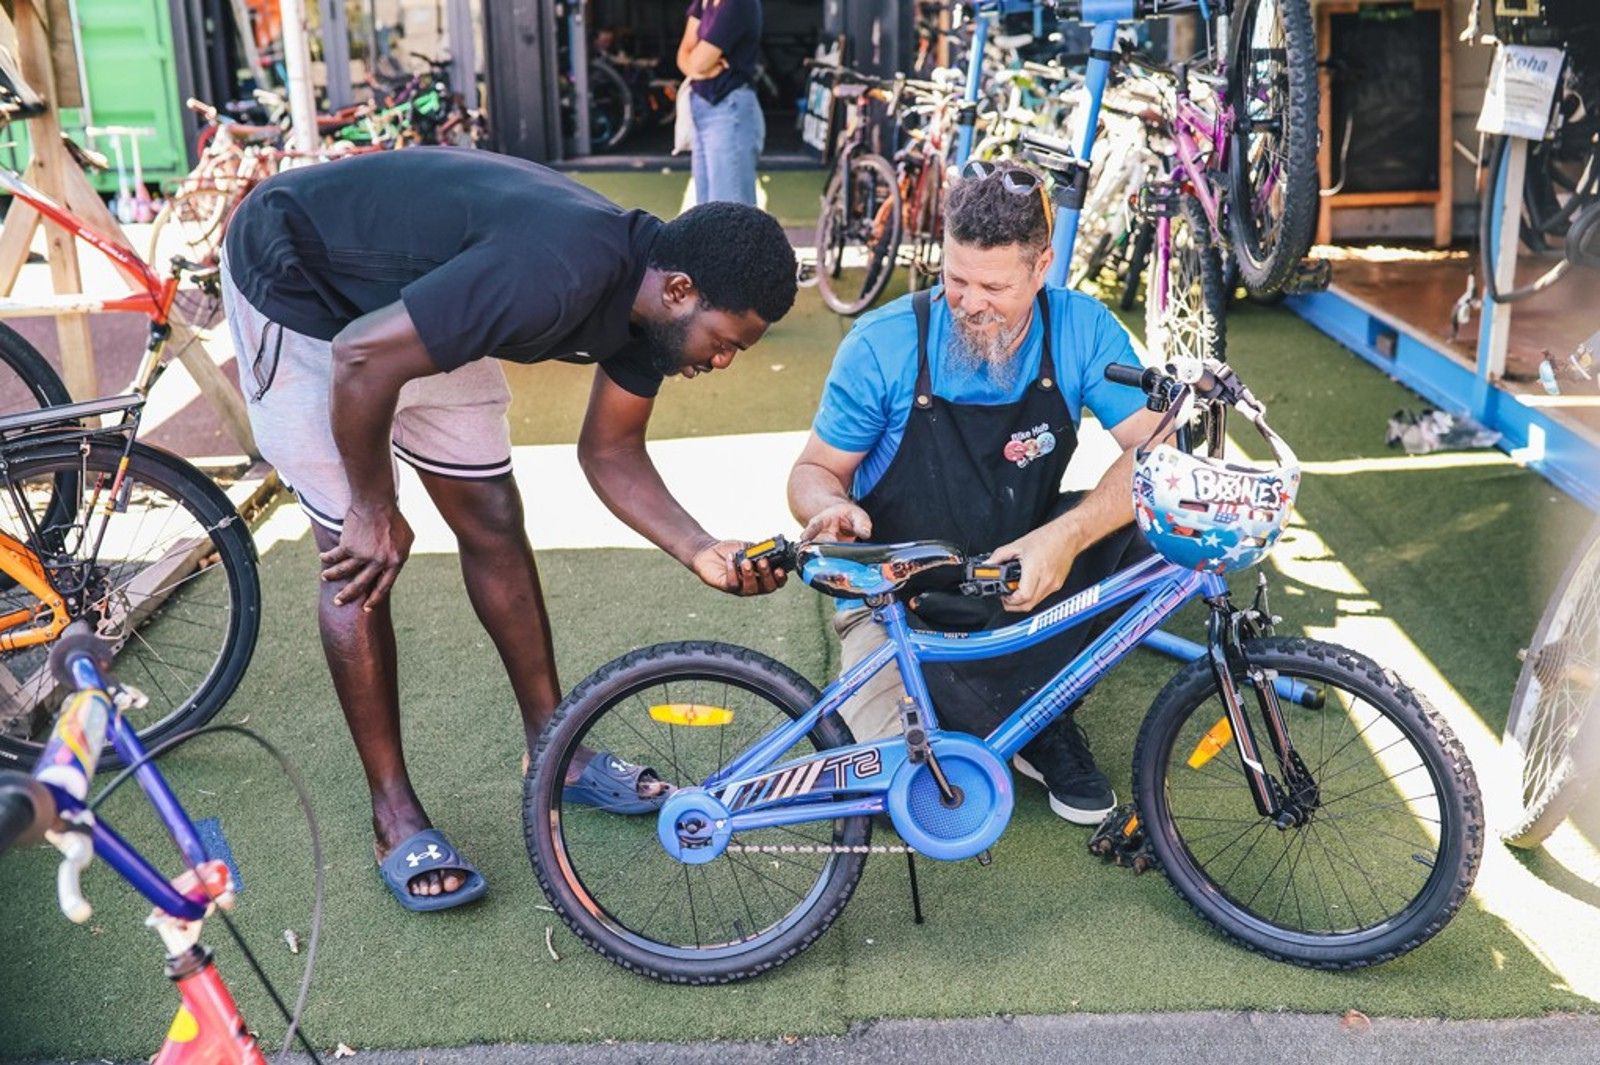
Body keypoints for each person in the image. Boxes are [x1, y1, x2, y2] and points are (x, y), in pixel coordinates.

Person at [220, 148, 797, 910]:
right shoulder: (555, 273)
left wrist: (700, 548)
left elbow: (610, 451)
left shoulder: (653, 308)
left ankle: (553, 746)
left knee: (493, 517)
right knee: (359, 559)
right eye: (724, 340)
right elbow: (362, 355)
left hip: (411, 307)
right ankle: (393, 813)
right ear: (680, 290)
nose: (722, 360)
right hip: (300, 285)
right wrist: (371, 504)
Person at [787, 161, 1165, 826]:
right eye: (956, 278)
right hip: (901, 605)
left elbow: (1159, 447)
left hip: (1023, 580)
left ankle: (1041, 712)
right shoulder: (883, 342)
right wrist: (829, 505)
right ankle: (1024, 712)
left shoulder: (1081, 327)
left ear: (1042, 264)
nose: (969, 301)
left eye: (993, 285)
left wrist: (1066, 535)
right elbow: (813, 469)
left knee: (1156, 536)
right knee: (895, 794)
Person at [677, 0, 764, 205]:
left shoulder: (738, 4)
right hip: (701, 105)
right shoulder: (702, 3)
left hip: (728, 108)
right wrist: (699, 71)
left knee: (730, 212)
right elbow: (683, 55)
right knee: (706, 211)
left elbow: (700, 60)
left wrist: (697, 66)